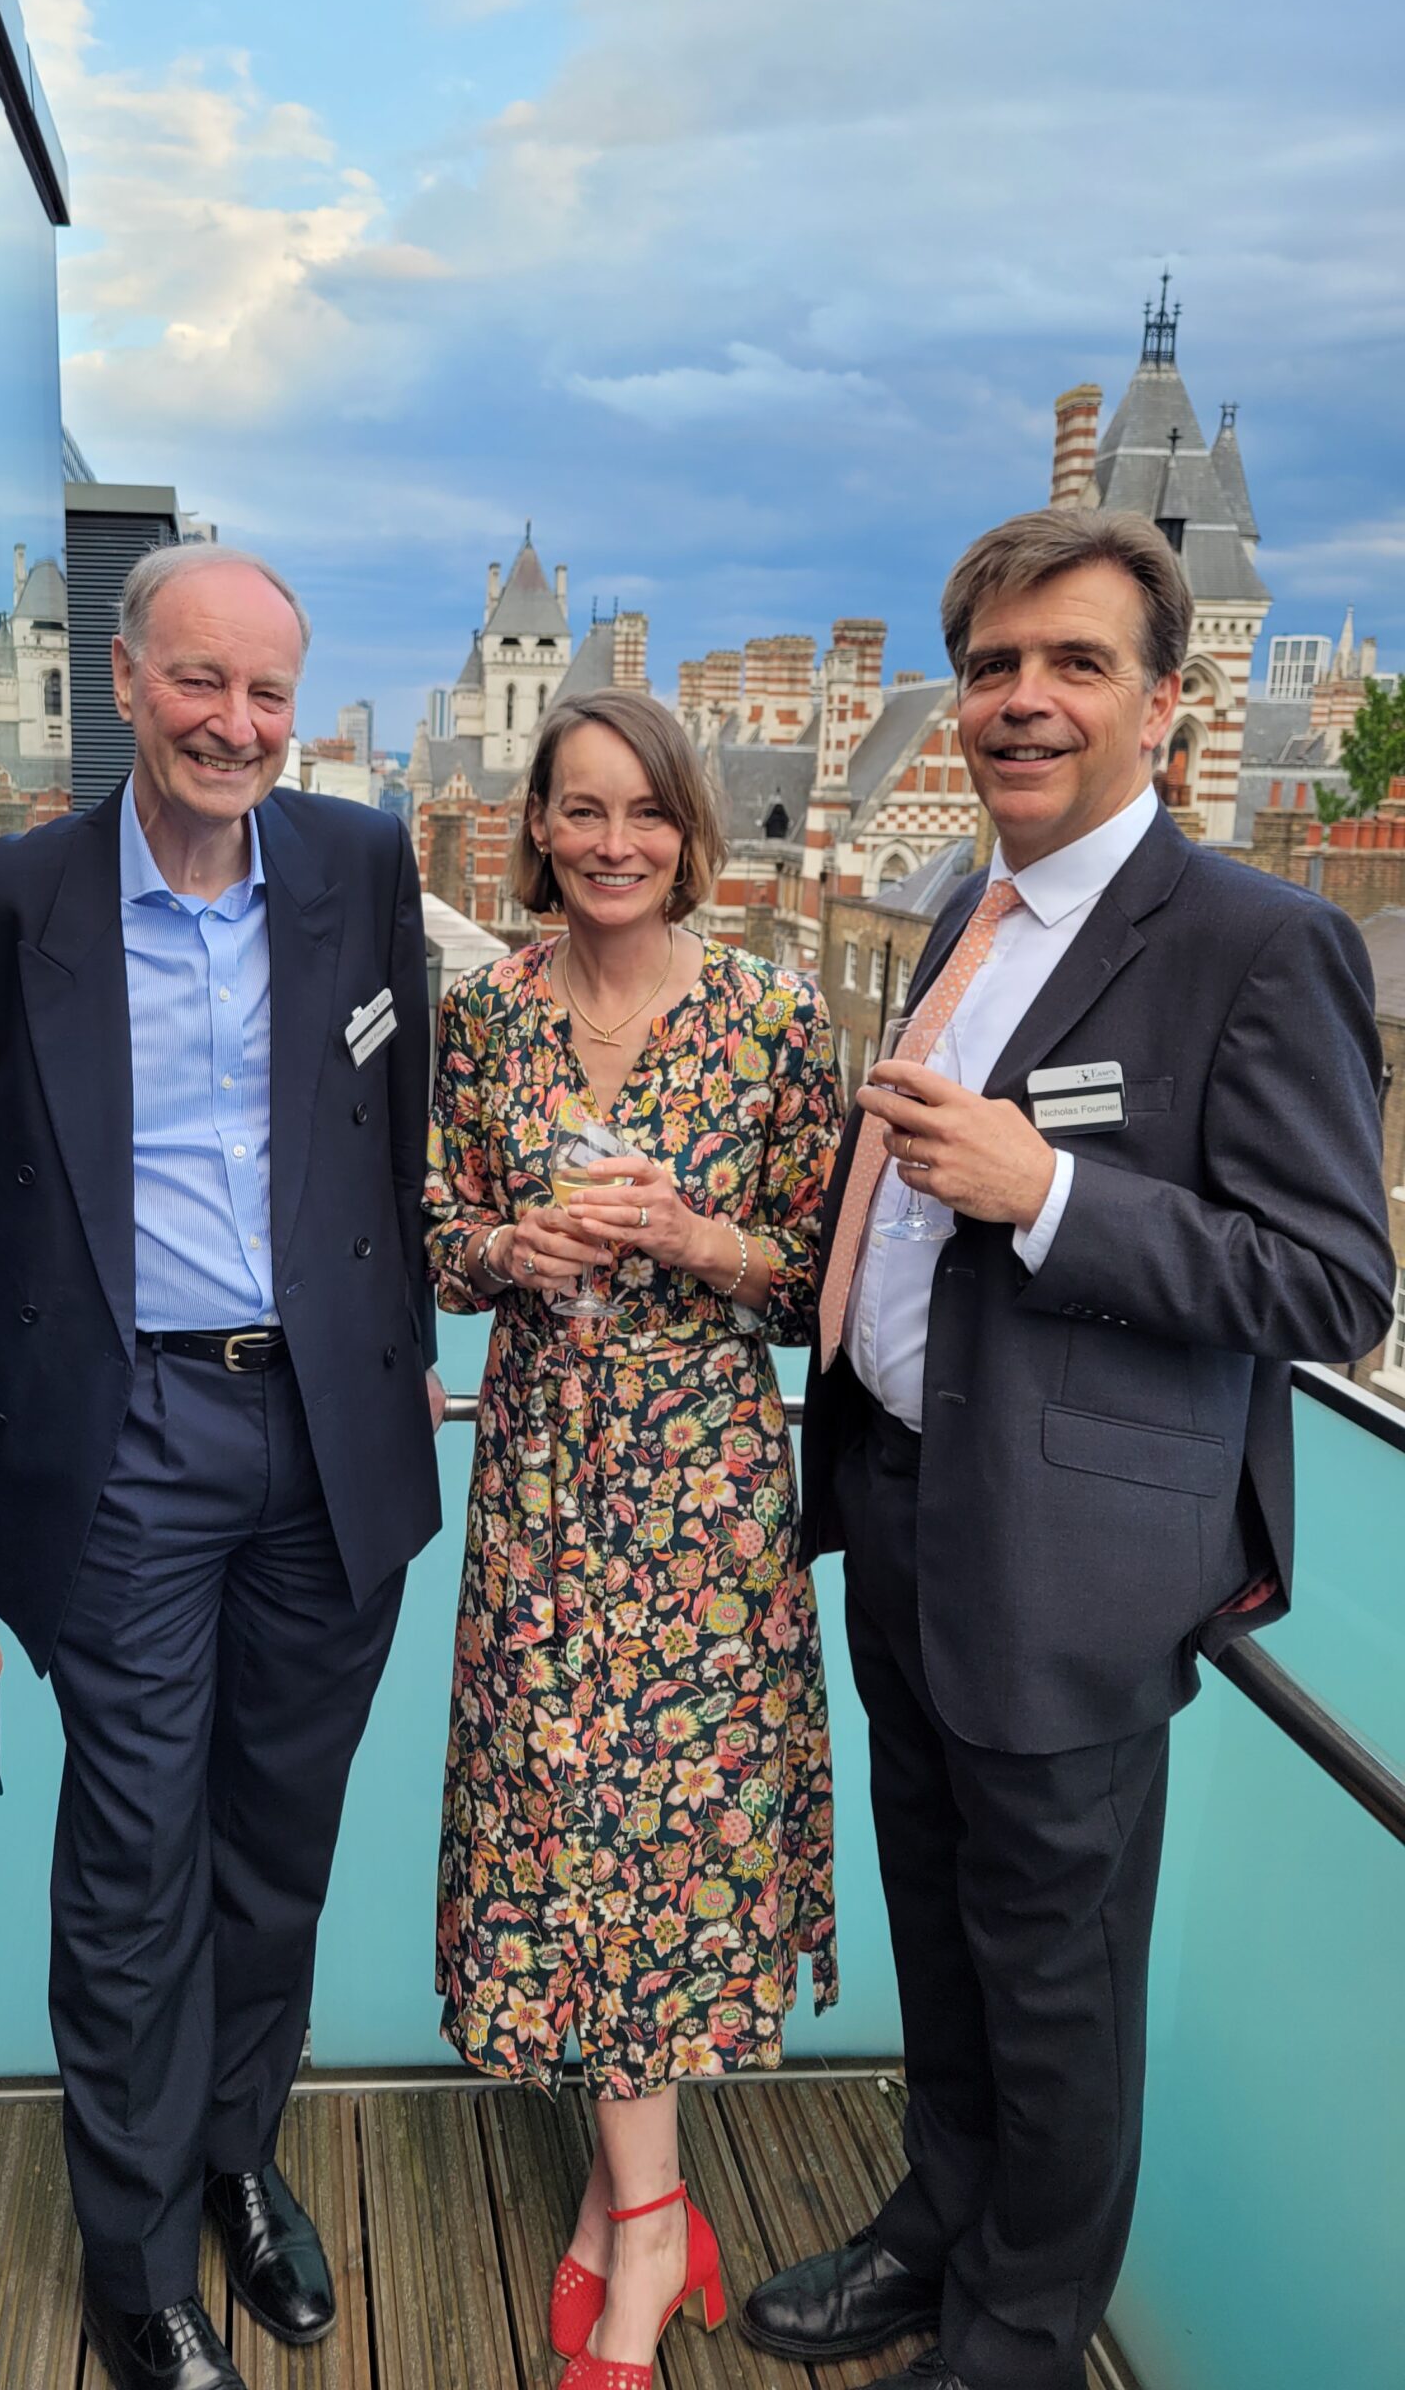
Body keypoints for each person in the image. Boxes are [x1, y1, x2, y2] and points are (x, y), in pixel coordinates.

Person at [742, 507, 1394, 2390]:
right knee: (945, 1930)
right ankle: (937, 2231)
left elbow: (1335, 1281)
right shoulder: (967, 907)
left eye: (1076, 664)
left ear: (1166, 710)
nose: (1026, 702)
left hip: (1075, 1571)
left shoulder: (1259, 945)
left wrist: (1051, 1196)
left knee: (1058, 1982)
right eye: (997, 669)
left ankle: (1022, 2331)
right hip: (905, 1505)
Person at [0, 543, 442, 2390]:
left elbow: (398, 1133)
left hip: (329, 1436)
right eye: (200, 683)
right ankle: (133, 2262)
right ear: (121, 683)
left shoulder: (363, 864)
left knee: (275, 1846)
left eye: (270, 693)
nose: (237, 724)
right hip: (123, 1435)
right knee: (133, 1854)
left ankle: (236, 2159)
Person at [426, 691, 841, 2390]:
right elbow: (429, 1238)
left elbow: (831, 1285)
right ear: (534, 826)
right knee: (555, 1816)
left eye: (645, 815)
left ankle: (644, 2224)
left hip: (706, 1496)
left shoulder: (771, 1019)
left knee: (671, 1831)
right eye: (579, 812)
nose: (612, 845)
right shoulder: (486, 1021)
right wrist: (508, 1249)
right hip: (537, 1484)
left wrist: (698, 1238)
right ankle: (639, 2203)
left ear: (692, 831)